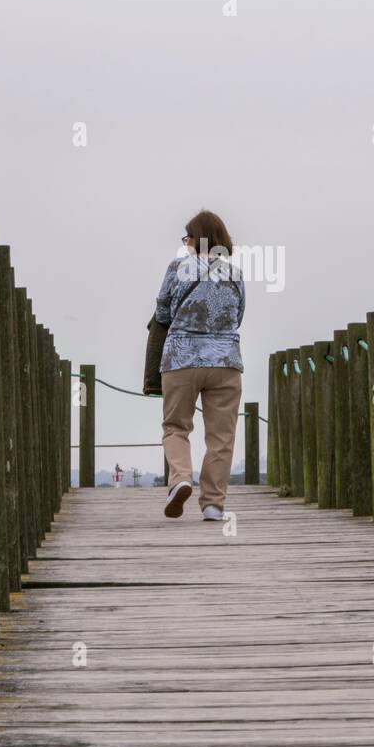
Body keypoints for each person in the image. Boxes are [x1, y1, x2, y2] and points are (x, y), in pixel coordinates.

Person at [154, 210, 245, 522]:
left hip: (181, 358)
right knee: (221, 436)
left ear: (196, 238)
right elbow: (238, 316)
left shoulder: (177, 268)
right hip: (225, 361)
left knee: (176, 426)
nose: (185, 242)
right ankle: (212, 505)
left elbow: (163, 314)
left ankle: (180, 478)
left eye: (187, 236)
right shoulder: (234, 274)